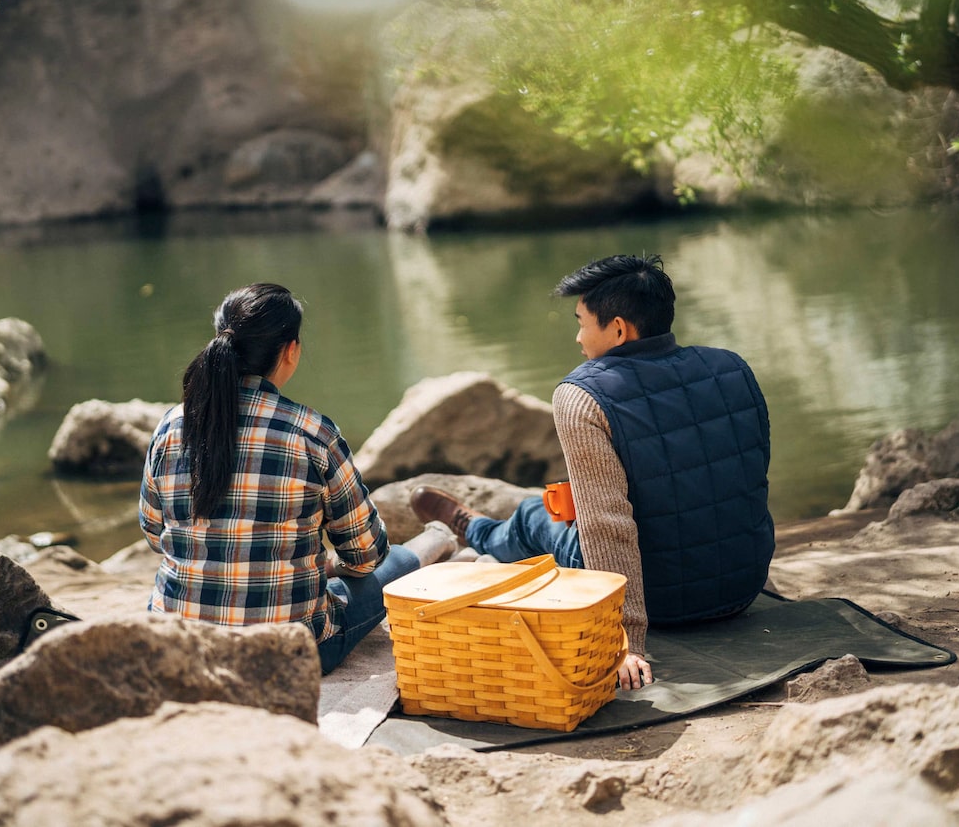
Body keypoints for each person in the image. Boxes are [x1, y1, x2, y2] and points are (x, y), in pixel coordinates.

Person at [410, 254, 775, 691]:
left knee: (533, 516)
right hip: (743, 585)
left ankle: (478, 531)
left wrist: (626, 641)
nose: (578, 337)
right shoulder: (732, 367)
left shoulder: (582, 395)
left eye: (582, 322)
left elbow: (608, 525)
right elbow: (749, 474)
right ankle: (483, 531)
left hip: (666, 603)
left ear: (618, 328)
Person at [140, 283, 455, 675]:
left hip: (178, 647)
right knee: (393, 568)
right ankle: (442, 537)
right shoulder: (311, 432)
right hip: (286, 656)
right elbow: (367, 556)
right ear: (290, 350)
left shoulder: (171, 426)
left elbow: (156, 534)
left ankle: (441, 538)